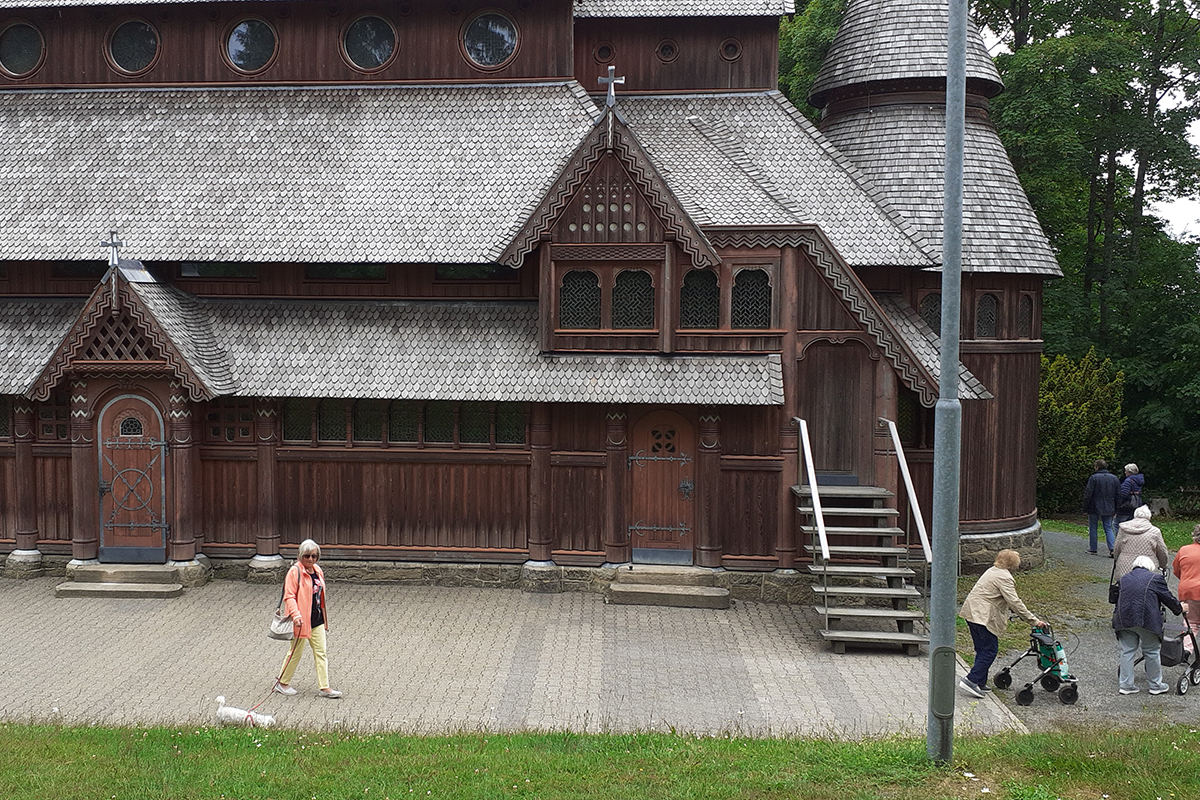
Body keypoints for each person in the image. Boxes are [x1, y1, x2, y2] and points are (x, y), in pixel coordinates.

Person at [958, 549, 1046, 698]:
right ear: (1013, 563)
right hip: (983, 616)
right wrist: (1034, 621)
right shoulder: (1005, 577)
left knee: (982, 648)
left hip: (972, 613)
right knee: (990, 650)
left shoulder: (993, 570)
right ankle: (971, 680)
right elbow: (1014, 602)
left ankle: (979, 681)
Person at [273, 539, 343, 698]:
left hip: (317, 619)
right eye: (307, 556)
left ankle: (324, 687)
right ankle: (282, 683)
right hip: (301, 621)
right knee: (295, 652)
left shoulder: (317, 570)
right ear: (300, 556)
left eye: (314, 556)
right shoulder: (294, 571)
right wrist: (296, 615)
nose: (310, 560)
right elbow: (289, 596)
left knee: (321, 652)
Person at [1113, 554, 1188, 695]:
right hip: (1147, 621)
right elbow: (1168, 598)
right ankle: (1155, 685)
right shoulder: (1156, 579)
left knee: (1127, 652)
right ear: (1150, 567)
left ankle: (1126, 685)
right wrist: (1179, 608)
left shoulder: (1124, 579)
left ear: (1135, 566)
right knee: (1152, 652)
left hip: (1124, 620)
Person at [1113, 504, 1168, 579]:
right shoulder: (1155, 532)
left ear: (1135, 516)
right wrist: (1163, 565)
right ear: (1149, 518)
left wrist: (1116, 560)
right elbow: (1162, 551)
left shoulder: (1123, 529)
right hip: (1147, 569)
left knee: (1123, 587)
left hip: (1124, 570)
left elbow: (1117, 547)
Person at [1082, 459, 1120, 557]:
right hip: (1109, 506)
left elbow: (1088, 494)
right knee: (1108, 527)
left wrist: (1085, 508)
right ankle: (1112, 549)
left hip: (1094, 505)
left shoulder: (1094, 478)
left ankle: (1093, 548)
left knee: (1093, 527)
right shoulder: (1114, 478)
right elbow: (1118, 494)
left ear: (1097, 467)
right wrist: (1116, 508)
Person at [1172, 525, 1200, 654]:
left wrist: (1187, 579)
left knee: (1191, 622)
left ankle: (1187, 650)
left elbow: (1177, 571)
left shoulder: (1184, 550)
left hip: (1188, 590)